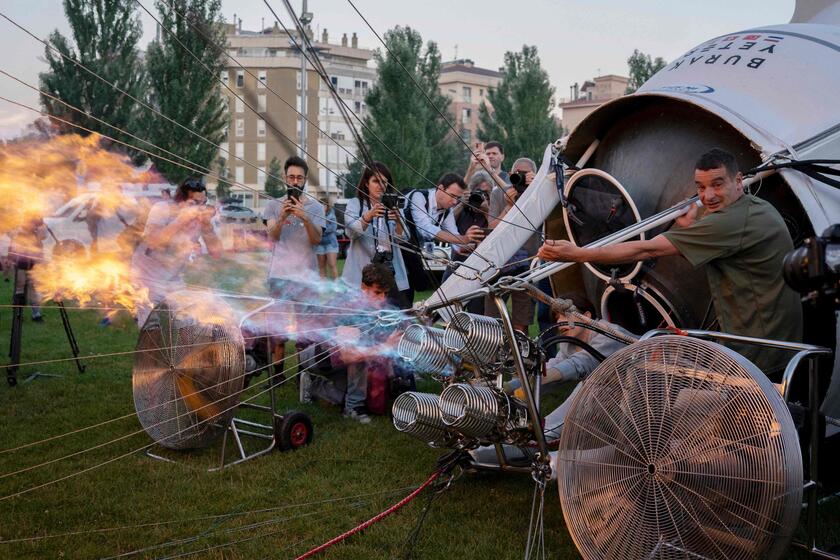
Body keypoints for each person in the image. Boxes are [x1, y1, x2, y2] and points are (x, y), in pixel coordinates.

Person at [538, 148, 803, 376]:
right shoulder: (755, 208)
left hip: (759, 352)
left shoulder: (730, 222)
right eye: (700, 187)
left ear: (738, 180)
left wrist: (578, 254)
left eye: (718, 184)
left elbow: (645, 250)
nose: (708, 196)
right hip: (772, 343)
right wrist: (689, 226)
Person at [302, 263, 403, 423]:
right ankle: (353, 408)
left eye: (385, 293)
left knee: (349, 394)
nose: (382, 298)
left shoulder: (376, 309)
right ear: (363, 287)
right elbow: (349, 355)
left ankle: (314, 386)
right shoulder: (349, 308)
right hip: (318, 357)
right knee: (361, 350)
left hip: (346, 364)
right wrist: (385, 347)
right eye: (377, 293)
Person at [262, 156, 326, 371]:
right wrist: (282, 217)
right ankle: (277, 375)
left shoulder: (316, 208)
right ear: (285, 178)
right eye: (291, 177)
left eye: (299, 178)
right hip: (279, 275)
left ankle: (303, 374)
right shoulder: (273, 205)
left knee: (304, 331)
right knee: (277, 330)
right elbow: (272, 236)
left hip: (305, 276)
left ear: (306, 179)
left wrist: (305, 217)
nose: (295, 182)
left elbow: (316, 240)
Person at [130, 177, 222, 326]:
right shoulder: (163, 208)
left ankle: (181, 348)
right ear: (181, 201)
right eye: (195, 203)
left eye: (203, 203)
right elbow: (153, 241)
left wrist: (207, 227)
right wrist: (181, 220)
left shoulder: (201, 218)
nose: (200, 208)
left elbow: (216, 253)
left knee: (187, 325)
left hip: (173, 279)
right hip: (147, 278)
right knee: (151, 330)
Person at [402, 172, 485, 302]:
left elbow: (456, 241)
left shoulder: (447, 212)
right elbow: (426, 229)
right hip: (393, 247)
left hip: (410, 251)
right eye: (452, 196)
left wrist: (475, 243)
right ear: (440, 188)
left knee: (417, 286)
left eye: (458, 198)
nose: (454, 202)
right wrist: (463, 239)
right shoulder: (419, 197)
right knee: (406, 289)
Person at [483, 157, 541, 333]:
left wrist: (537, 186)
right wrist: (508, 206)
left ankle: (520, 354)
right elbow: (491, 228)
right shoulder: (498, 193)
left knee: (521, 318)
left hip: (527, 264)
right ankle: (494, 355)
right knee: (492, 318)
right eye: (518, 174)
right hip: (499, 262)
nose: (521, 177)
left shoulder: (539, 194)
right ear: (510, 174)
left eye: (525, 174)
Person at [342, 162, 409, 306]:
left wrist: (398, 221)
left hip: (390, 273)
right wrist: (368, 216)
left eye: (384, 182)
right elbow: (351, 233)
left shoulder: (394, 205)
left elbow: (404, 238)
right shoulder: (355, 204)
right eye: (376, 181)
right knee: (362, 317)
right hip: (362, 273)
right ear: (366, 183)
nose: (381, 186)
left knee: (393, 316)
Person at [443, 170, 493, 313]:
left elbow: (496, 228)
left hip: (480, 270)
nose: (481, 196)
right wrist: (461, 204)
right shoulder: (461, 210)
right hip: (456, 265)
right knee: (447, 308)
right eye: (478, 192)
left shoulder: (492, 210)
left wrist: (486, 210)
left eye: (486, 193)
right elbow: (446, 222)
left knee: (476, 311)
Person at [316, 198, 339, 280]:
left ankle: (336, 285)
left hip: (331, 244)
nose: (322, 207)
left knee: (332, 265)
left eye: (323, 205)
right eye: (320, 205)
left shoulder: (331, 215)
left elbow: (332, 228)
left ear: (327, 206)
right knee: (321, 266)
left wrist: (320, 231)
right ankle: (323, 286)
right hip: (319, 244)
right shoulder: (316, 216)